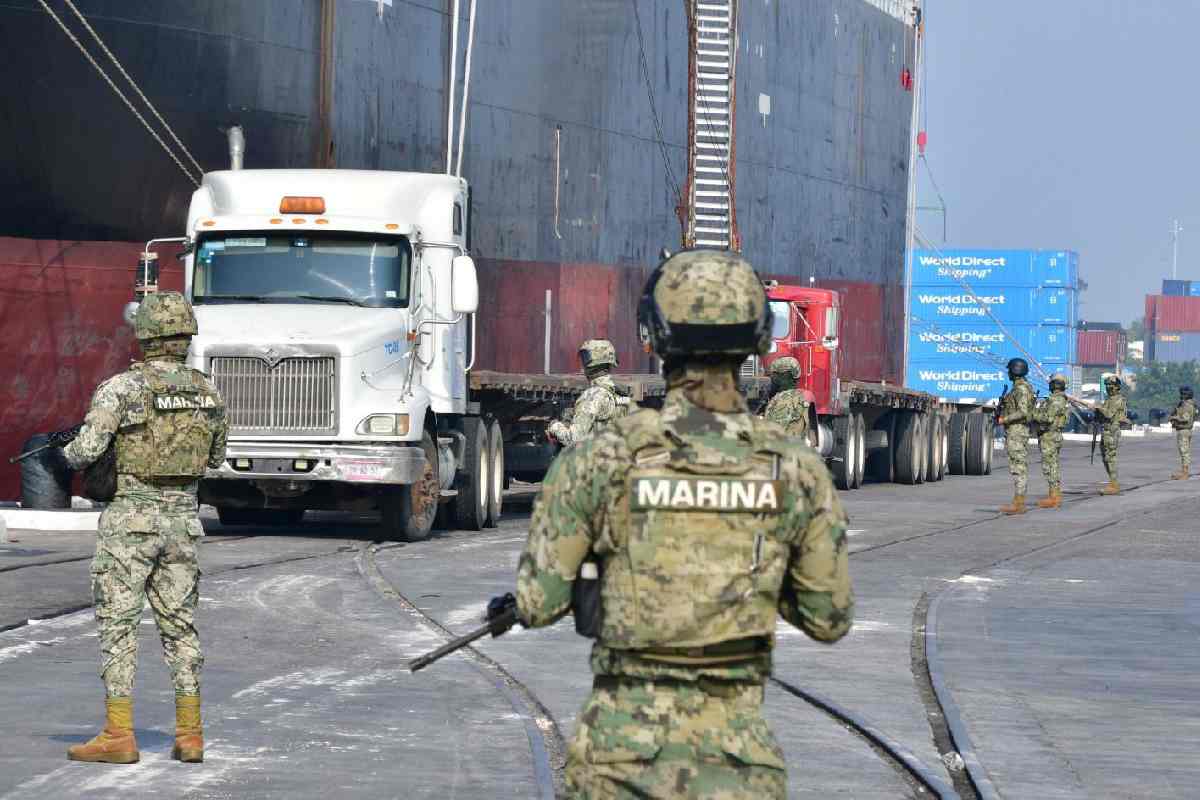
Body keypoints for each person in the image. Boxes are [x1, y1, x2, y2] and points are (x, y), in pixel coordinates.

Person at [514, 250, 853, 798]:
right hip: (738, 765)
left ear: (652, 338)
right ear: (761, 341)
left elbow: (536, 602)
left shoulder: (599, 460)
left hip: (618, 761)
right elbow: (828, 617)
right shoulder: (794, 470)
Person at [62, 291, 228, 765]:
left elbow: (82, 453)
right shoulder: (206, 390)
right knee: (181, 626)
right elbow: (215, 458)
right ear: (185, 335)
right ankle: (190, 734)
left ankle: (119, 734)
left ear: (145, 335)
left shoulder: (121, 389)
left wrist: (65, 450)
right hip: (182, 521)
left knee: (119, 624)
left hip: (130, 520)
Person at [547, 338, 631, 446]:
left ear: (592, 362)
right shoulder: (619, 394)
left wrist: (554, 426)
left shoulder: (593, 396)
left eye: (585, 358)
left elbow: (573, 439)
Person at [995, 357, 1036, 514]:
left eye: (1009, 370)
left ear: (1015, 370)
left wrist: (1004, 419)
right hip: (1017, 431)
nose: (1008, 373)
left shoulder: (1021, 389)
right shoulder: (1020, 388)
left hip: (1017, 431)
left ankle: (1019, 503)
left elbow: (1023, 412)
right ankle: (1018, 501)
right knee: (1018, 466)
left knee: (1018, 467)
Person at [1031, 373, 1071, 508]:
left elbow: (1047, 418)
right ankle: (1054, 494)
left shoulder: (1055, 400)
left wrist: (1033, 413)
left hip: (1050, 436)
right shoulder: (1061, 399)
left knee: (1049, 466)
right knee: (1052, 465)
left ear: (1055, 384)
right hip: (1053, 436)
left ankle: (1054, 496)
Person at [761, 356, 810, 439]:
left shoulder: (784, 400)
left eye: (774, 375)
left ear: (784, 375)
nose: (772, 378)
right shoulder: (798, 398)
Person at [1094, 375, 1127, 495]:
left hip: (1112, 431)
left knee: (1110, 457)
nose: (1108, 388)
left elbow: (1109, 414)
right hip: (1106, 431)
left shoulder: (1118, 399)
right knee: (1106, 458)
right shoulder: (1109, 400)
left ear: (1117, 387)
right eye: (1107, 385)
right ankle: (1112, 482)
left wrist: (1098, 407)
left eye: (1111, 385)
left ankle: (1114, 484)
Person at [1168, 385, 1196, 479]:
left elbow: (1185, 419)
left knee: (1184, 452)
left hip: (1184, 430)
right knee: (1183, 451)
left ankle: (1185, 473)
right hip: (1184, 430)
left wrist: (1174, 418)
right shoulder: (1188, 404)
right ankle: (1184, 471)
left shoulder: (1187, 405)